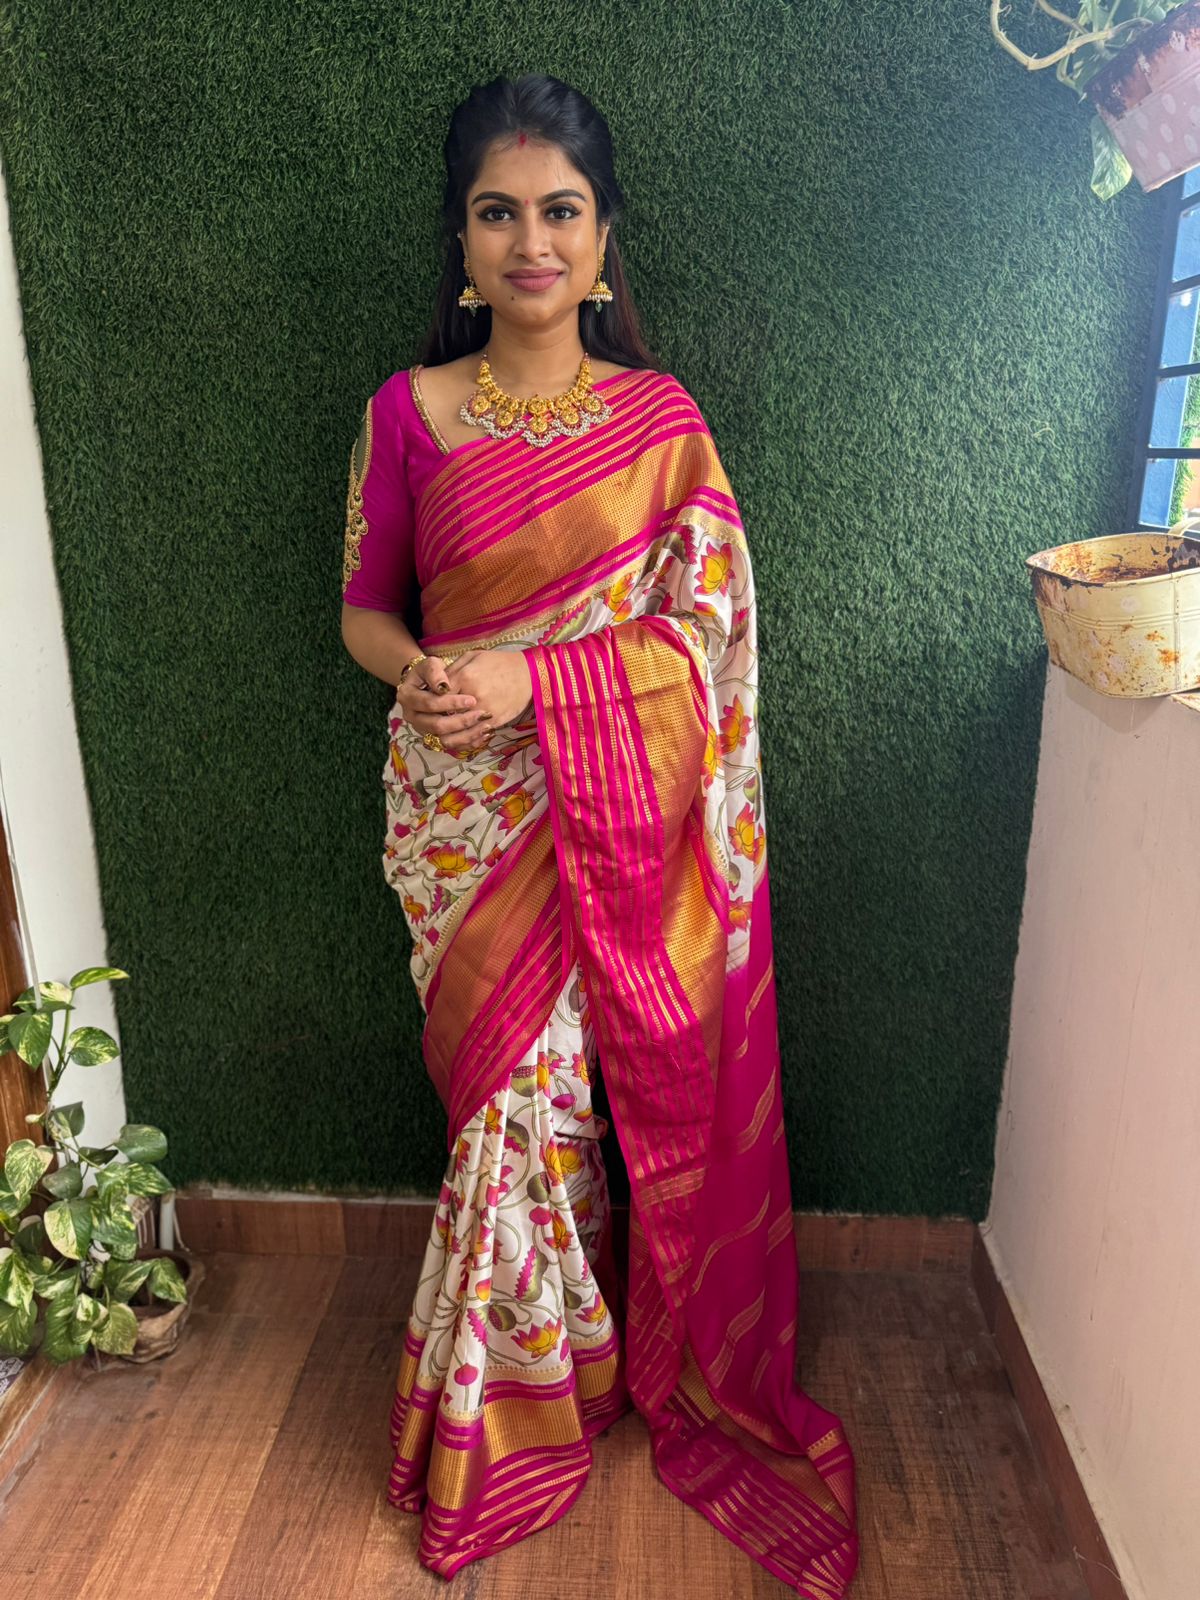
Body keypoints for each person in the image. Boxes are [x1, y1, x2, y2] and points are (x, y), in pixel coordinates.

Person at [339, 72, 860, 1599]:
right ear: (460, 241)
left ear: (603, 236)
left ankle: (507, 1409)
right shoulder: (406, 413)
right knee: (504, 1101)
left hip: (613, 818)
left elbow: (710, 637)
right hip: (459, 810)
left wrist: (539, 684)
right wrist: (431, 676)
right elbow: (365, 612)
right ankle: (548, 1370)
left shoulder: (661, 424)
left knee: (539, 1105)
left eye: (559, 211)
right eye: (498, 213)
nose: (531, 242)